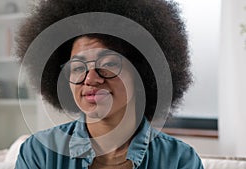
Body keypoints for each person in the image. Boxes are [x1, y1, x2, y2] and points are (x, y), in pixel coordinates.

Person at [15, 0, 204, 168]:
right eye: (78, 67)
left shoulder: (180, 160)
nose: (90, 79)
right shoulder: (40, 153)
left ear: (141, 73)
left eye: (108, 64)